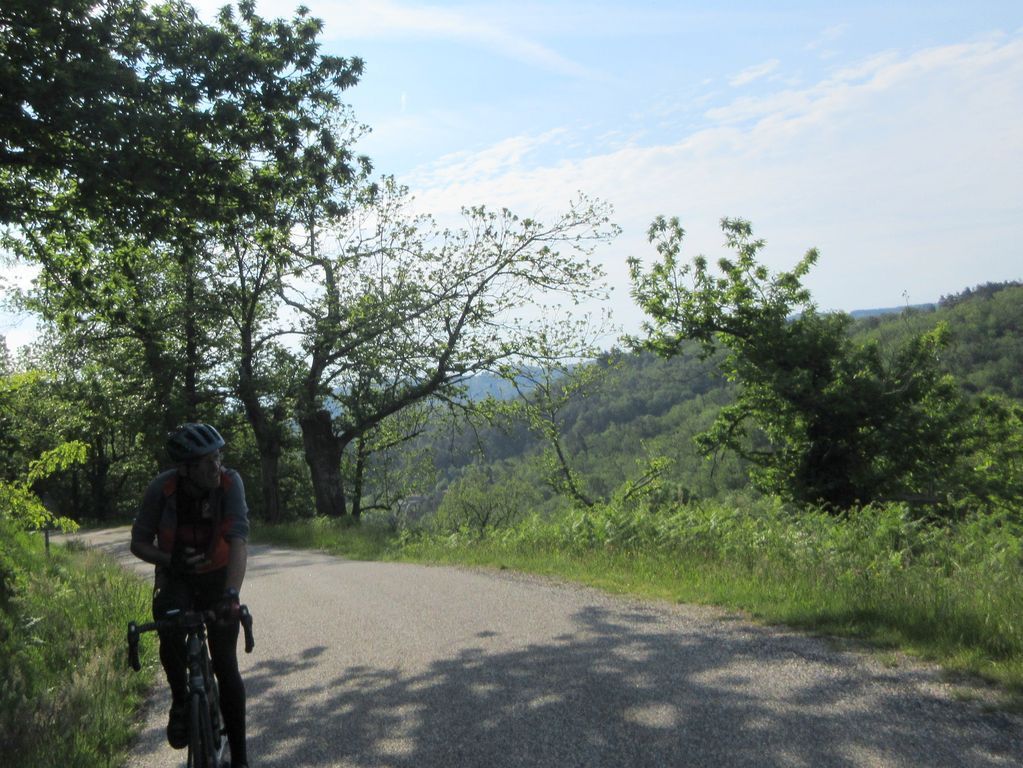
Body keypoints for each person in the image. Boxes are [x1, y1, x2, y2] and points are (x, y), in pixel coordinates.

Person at [130, 423, 250, 768]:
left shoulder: (230, 484)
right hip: (176, 576)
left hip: (217, 577)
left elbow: (239, 540)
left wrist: (231, 593)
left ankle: (240, 759)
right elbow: (138, 543)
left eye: (218, 457)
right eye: (207, 462)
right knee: (169, 630)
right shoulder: (161, 490)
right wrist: (171, 560)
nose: (217, 467)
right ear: (185, 469)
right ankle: (181, 700)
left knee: (226, 664)